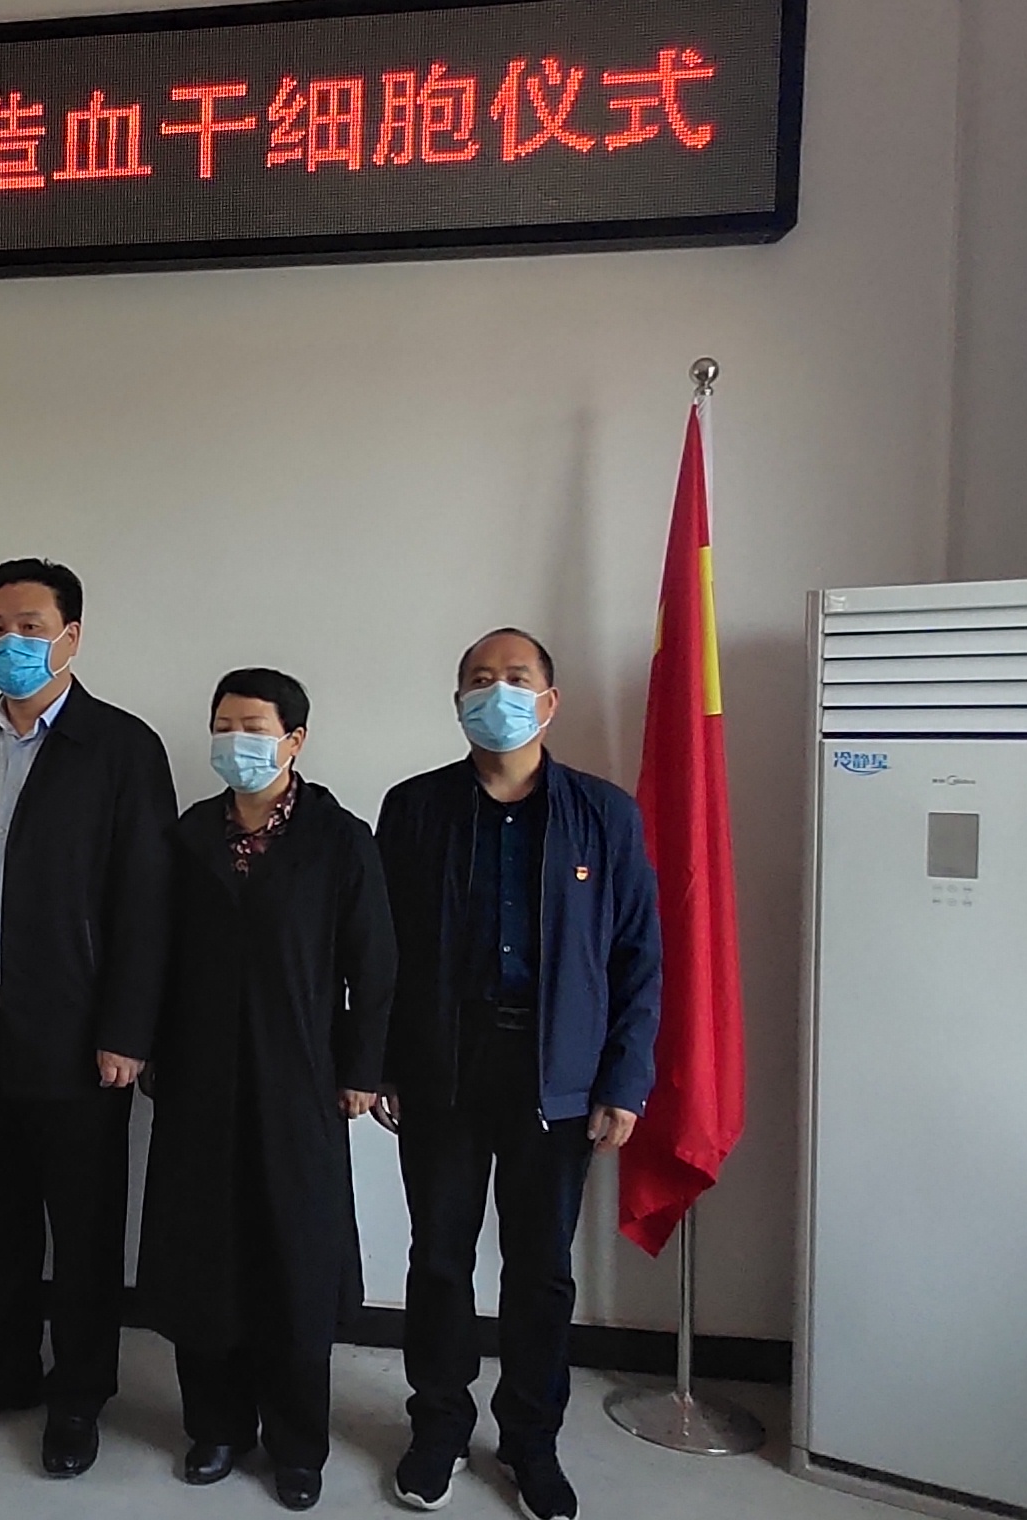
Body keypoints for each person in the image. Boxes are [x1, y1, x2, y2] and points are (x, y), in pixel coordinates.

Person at [375, 629, 660, 1518]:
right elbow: (381, 950)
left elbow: (638, 955)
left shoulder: (603, 815)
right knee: (439, 1259)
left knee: (539, 1271)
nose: (494, 692)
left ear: (550, 700)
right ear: (458, 700)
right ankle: (438, 1428)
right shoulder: (414, 808)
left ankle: (531, 1441)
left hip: (557, 1076)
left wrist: (623, 1080)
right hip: (443, 1070)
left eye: (514, 677)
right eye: (478, 679)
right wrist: (381, 1062)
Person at [0, 557, 174, 1479]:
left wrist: (127, 1032)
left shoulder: (121, 748)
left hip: (75, 1035)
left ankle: (79, 1394)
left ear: (71, 637)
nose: (9, 642)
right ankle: (5, 1367)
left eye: (29, 627)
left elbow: (146, 902)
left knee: (84, 1226)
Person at [142, 668, 393, 1513]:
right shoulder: (187, 836)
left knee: (295, 1263)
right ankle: (215, 1427)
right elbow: (152, 951)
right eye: (224, 725)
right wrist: (142, 1047)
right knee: (205, 1256)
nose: (236, 742)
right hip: (199, 1079)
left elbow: (375, 965)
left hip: (301, 1081)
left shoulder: (340, 839)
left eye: (254, 726)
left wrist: (362, 1071)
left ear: (295, 740)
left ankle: (297, 1445)